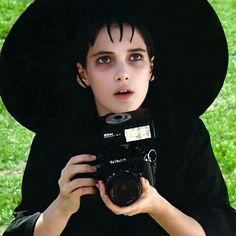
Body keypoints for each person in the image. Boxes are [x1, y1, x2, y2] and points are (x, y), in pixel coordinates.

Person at [0, 0, 235, 235]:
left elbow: (219, 228)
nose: (123, 74)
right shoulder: (57, 139)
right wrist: (61, 207)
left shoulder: (183, 135)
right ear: (83, 74)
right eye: (104, 60)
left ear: (151, 68)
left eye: (135, 58)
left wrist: (158, 207)